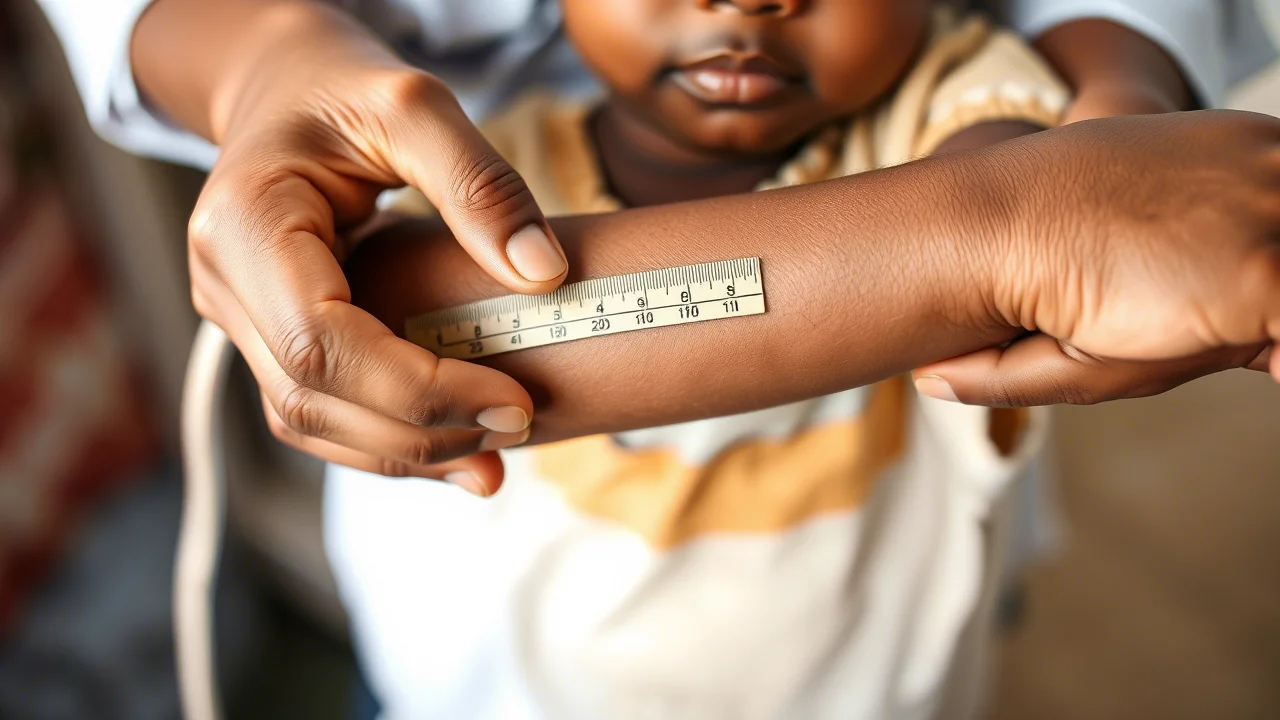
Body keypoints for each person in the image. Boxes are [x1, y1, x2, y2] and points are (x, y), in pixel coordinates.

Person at [34, 0, 1276, 481]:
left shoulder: (961, 90)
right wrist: (994, 238)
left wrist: (1018, 210)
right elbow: (385, 313)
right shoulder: (493, 131)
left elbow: (1023, 187)